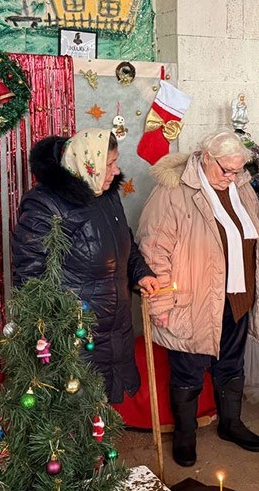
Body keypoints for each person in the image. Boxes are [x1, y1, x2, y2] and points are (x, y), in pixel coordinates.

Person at [136, 131, 259, 466]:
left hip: (238, 296)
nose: (232, 177)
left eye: (238, 170)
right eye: (226, 169)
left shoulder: (241, 189)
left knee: (232, 364)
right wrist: (161, 303)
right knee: (189, 371)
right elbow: (154, 249)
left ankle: (231, 423)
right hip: (193, 300)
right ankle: (185, 435)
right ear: (205, 157)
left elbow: (254, 242)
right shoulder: (174, 191)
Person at [12, 129, 159, 403]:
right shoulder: (46, 204)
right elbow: (30, 278)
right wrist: (53, 333)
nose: (117, 172)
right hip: (76, 336)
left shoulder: (106, 194)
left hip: (115, 327)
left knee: (102, 411)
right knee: (71, 416)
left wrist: (141, 275)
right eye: (110, 164)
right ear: (86, 163)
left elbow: (124, 241)